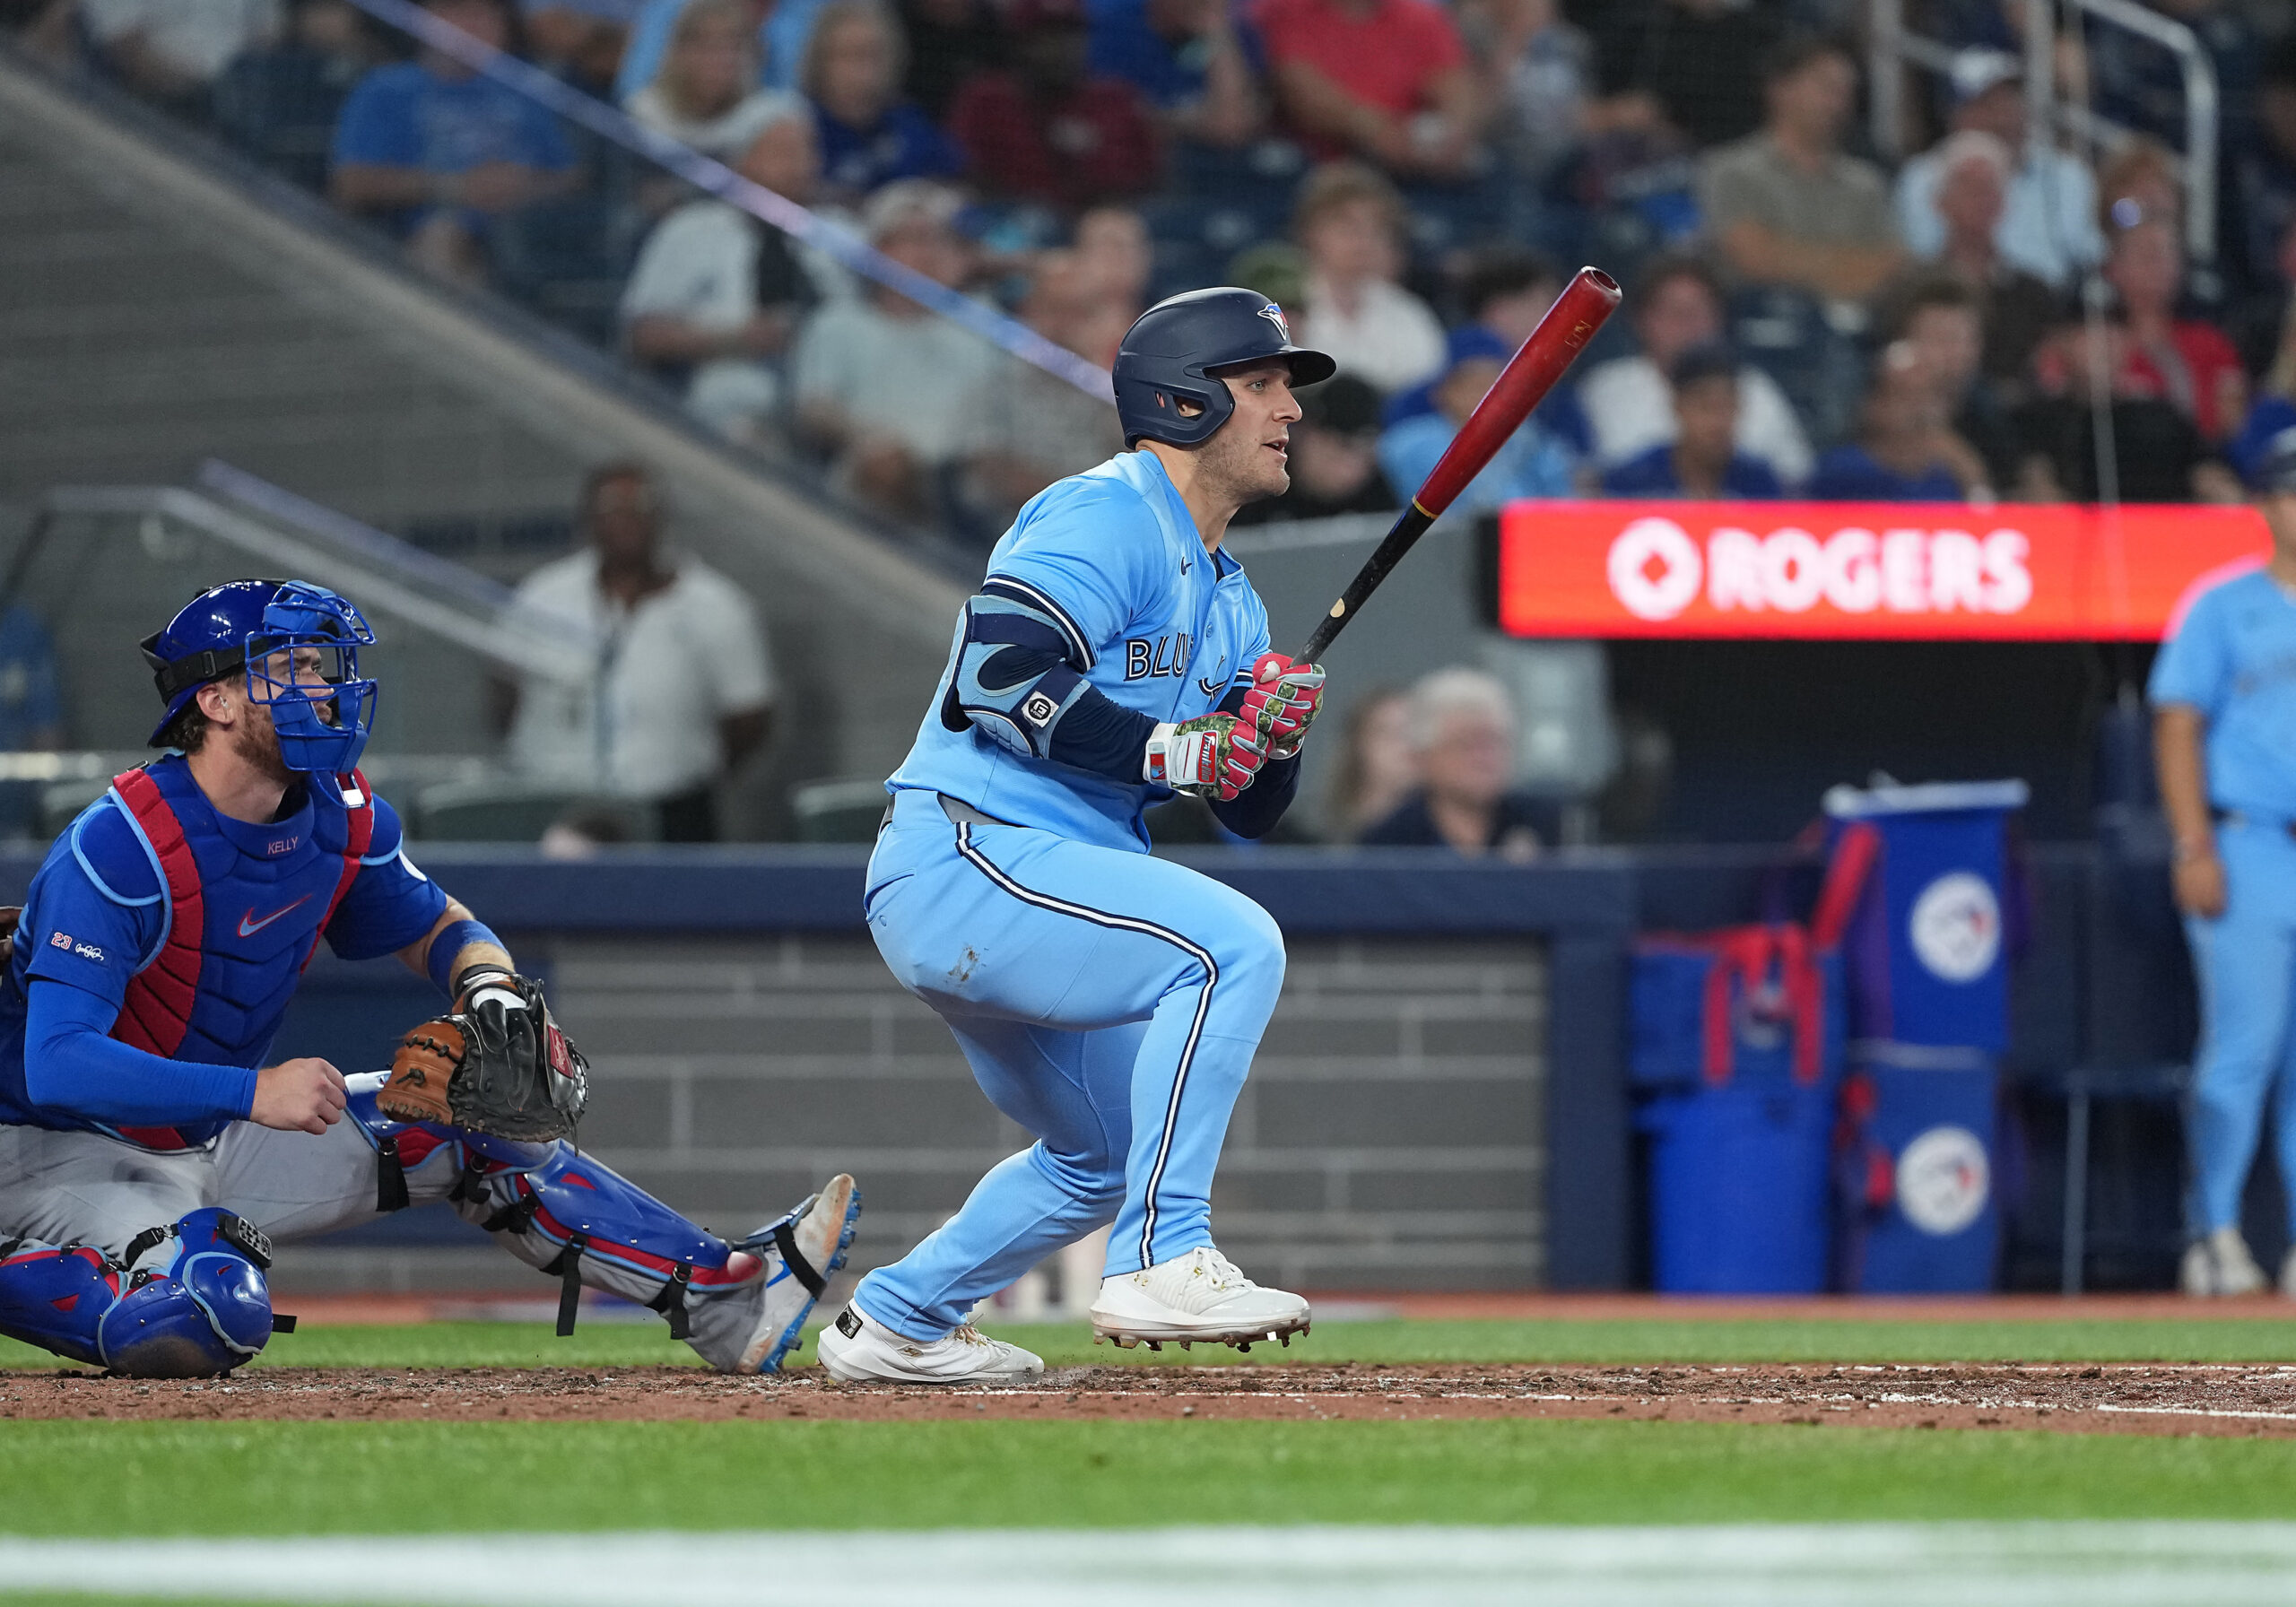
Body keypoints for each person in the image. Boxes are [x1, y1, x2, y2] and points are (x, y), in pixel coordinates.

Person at [0, 578, 856, 1377]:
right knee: (209, 1314)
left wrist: (487, 986)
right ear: (215, 702)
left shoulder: (338, 808)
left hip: (205, 1132)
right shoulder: (118, 846)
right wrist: (252, 1091)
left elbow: (439, 927)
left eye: (324, 669)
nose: (323, 690)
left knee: (473, 1119)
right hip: (51, 1149)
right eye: (290, 669)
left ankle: (731, 1301)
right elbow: (61, 1062)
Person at [815, 288, 1335, 1384]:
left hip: (1030, 879)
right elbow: (994, 678)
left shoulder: (1232, 596)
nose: (1288, 408)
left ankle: (898, 1322)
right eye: (1262, 383)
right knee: (1234, 946)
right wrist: (1177, 751)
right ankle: (1162, 1254)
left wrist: (1268, 741)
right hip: (971, 850)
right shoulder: (1105, 512)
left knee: (1097, 1154)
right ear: (1184, 401)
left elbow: (1248, 818)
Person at [2149, 428, 2296, 1299]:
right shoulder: (2220, 603)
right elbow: (2175, 723)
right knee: (2241, 1049)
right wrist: (2191, 841)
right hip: (2244, 840)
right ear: (2266, 503)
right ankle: (2213, 1233)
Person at [500, 464, 778, 840]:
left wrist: (686, 767)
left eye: (640, 508)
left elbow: (749, 721)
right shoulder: (543, 596)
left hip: (674, 809)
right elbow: (503, 696)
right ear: (588, 518)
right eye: (613, 508)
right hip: (555, 807)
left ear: (661, 517)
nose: (627, 520)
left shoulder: (716, 604)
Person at [790, 180, 1000, 522]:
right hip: (860, 466)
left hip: (947, 487)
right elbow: (814, 407)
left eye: (935, 240)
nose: (927, 253)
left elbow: (987, 434)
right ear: (877, 251)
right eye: (911, 240)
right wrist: (869, 439)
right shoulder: (839, 322)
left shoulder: (977, 333)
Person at [328, 0, 578, 285]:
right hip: (416, 226)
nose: (473, 26)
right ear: (429, 19)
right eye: (459, 13)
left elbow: (569, 177)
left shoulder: (525, 91)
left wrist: (520, 186)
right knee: (443, 235)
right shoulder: (389, 88)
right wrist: (456, 187)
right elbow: (350, 183)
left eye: (484, 15)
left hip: (517, 227)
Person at [620, 106, 826, 440]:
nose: (802, 165)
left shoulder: (837, 239)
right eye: (784, 153)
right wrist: (736, 340)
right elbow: (642, 336)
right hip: (704, 408)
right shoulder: (690, 229)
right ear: (742, 163)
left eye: (809, 152)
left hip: (811, 415)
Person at [1696, 34, 1906, 310]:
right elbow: (1755, 260)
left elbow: (1891, 265)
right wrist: (1850, 266)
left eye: (1846, 93)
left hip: (1857, 328)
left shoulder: (1866, 184)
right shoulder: (1731, 170)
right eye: (1827, 88)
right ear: (1780, 89)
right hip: (1763, 322)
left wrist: (1789, 256)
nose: (1838, 104)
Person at [1577, 252, 1812, 484]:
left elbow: (1795, 480)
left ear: (1720, 318)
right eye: (1672, 311)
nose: (1687, 322)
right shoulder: (1605, 389)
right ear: (1641, 320)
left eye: (1700, 309)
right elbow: (1584, 483)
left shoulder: (1755, 388)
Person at [951, 250, 1131, 536]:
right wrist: (1085, 501)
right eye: (1053, 309)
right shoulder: (997, 379)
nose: (1063, 324)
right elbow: (993, 471)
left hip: (1094, 542)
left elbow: (1137, 487)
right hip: (1003, 538)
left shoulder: (1112, 397)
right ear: (1030, 311)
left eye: (1078, 312)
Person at [1892, 48, 2102, 291]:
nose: (2005, 117)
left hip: (2051, 303)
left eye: (2013, 101)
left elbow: (2090, 256)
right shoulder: (1922, 177)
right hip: (1955, 293)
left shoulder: (2069, 176)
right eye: (1990, 105)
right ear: (1958, 114)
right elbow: (1922, 255)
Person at [2011, 302, 2239, 505]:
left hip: (2162, 539)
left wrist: (2219, 490)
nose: (2105, 342)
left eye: (2116, 331)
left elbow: (2207, 471)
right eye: (2090, 332)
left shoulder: (2161, 415)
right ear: (2062, 342)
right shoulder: (2035, 418)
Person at [947, 0, 1161, 211]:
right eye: (1049, 36)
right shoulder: (987, 100)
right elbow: (965, 176)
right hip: (1013, 232)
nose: (1064, 48)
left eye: (1073, 35)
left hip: (1104, 229)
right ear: (1021, 43)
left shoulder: (1115, 99)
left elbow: (1150, 179)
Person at [1251, 0, 1485, 178]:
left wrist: (1455, 131)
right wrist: (1377, 131)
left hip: (1413, 159)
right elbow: (1301, 91)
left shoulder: (1418, 15)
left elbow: (1454, 85)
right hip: (1319, 160)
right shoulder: (1290, 10)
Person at [1912, 131, 2061, 396]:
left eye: (1991, 188)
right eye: (1968, 185)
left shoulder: (2035, 293)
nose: (1981, 198)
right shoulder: (1912, 288)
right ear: (1938, 200)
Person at [1291, 161, 1447, 395]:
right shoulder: (1280, 308)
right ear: (1311, 232)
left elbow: (1426, 388)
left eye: (1375, 230)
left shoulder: (1409, 313)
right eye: (1347, 228)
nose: (1362, 242)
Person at [1378, 326, 1574, 511]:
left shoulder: (1530, 440)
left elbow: (1561, 503)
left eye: (1498, 386)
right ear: (1444, 391)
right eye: (1475, 386)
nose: (1487, 397)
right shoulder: (1408, 444)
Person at [1359, 666, 1544, 858]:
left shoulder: (1546, 827)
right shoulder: (1388, 842)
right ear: (1423, 755)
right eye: (1468, 744)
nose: (1484, 758)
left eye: (1495, 742)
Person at [802, 0, 965, 204]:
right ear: (820, 61)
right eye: (848, 56)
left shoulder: (910, 123)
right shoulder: (801, 129)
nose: (862, 71)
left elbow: (955, 189)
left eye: (873, 55)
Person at [2102, 216, 2247, 445]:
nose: (2160, 265)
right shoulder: (2096, 348)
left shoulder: (2210, 341)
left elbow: (2234, 427)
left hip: (2211, 465)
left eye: (2168, 254)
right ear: (2113, 269)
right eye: (2147, 255)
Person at [1578, 0, 1780, 152]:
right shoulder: (1632, 28)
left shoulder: (1762, 33)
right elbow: (1588, 118)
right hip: (1652, 168)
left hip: (1737, 161)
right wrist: (1619, 114)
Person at [1806, 342, 1985, 502]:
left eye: (1925, 396)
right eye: (1902, 396)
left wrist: (1970, 475)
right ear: (1872, 404)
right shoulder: (1841, 470)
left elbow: (1982, 521)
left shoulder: (1951, 474)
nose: (1917, 410)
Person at [624, 0, 800, 159]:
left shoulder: (769, 121)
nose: (717, 60)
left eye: (732, 48)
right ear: (677, 51)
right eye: (705, 46)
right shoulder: (641, 115)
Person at [1602, 343, 1782, 499]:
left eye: (1728, 406)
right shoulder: (1632, 481)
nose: (1718, 421)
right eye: (1705, 407)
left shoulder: (1761, 482)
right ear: (1677, 406)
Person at [1086, 0, 1263, 149]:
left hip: (1222, 169)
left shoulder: (1237, 32)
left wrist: (1216, 32)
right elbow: (1119, 122)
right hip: (1141, 170)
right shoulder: (1111, 27)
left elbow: (1231, 124)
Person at [1230, 372, 1395, 524]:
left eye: (1364, 452)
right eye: (1338, 447)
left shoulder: (1377, 492)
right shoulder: (1260, 485)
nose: (1350, 466)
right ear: (1305, 433)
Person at [82, 0, 281, 116]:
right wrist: (197, 91)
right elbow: (124, 46)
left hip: (225, 114)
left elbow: (266, 39)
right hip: (131, 100)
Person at [1321, 685, 1415, 840]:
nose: (1407, 743)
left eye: (1414, 732)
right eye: (1389, 732)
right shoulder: (1315, 832)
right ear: (1357, 745)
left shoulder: (1445, 832)